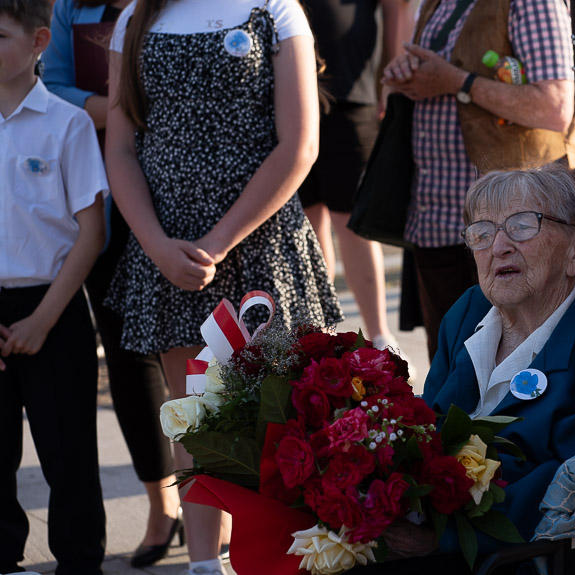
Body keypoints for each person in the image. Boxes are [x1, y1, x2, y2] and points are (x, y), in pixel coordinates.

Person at [104, 1, 343, 574]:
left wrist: (219, 240)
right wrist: (158, 245)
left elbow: (299, 143)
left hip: (258, 241)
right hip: (169, 248)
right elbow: (119, 146)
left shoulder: (275, 8)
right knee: (193, 416)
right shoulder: (136, 15)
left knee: (278, 415)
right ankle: (205, 565)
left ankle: (279, 561)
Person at [374, 164, 575, 569]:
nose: (499, 246)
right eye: (482, 233)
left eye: (523, 226)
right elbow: (428, 423)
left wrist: (443, 537)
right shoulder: (467, 312)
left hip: (525, 551)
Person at [41, 0, 185, 567]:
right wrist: (126, 111)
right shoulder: (70, 8)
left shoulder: (186, 9)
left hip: (189, 201)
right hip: (106, 196)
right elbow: (52, 89)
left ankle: (219, 505)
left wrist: (114, 111)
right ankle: (162, 504)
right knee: (130, 364)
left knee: (204, 359)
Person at [381, 0, 575, 362]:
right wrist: (403, 73)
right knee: (452, 382)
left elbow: (555, 106)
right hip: (434, 224)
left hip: (511, 234)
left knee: (526, 378)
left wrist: (458, 81)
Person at [0, 1, 108, 573]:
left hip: (55, 305)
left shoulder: (67, 123)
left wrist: (42, 319)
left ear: (41, 39)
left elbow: (91, 234)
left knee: (69, 456)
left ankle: (80, 563)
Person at [298, 0, 414, 359]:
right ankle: (319, 334)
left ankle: (379, 334)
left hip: (352, 92)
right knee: (305, 222)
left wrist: (390, 78)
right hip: (288, 96)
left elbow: (397, 7)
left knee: (354, 220)